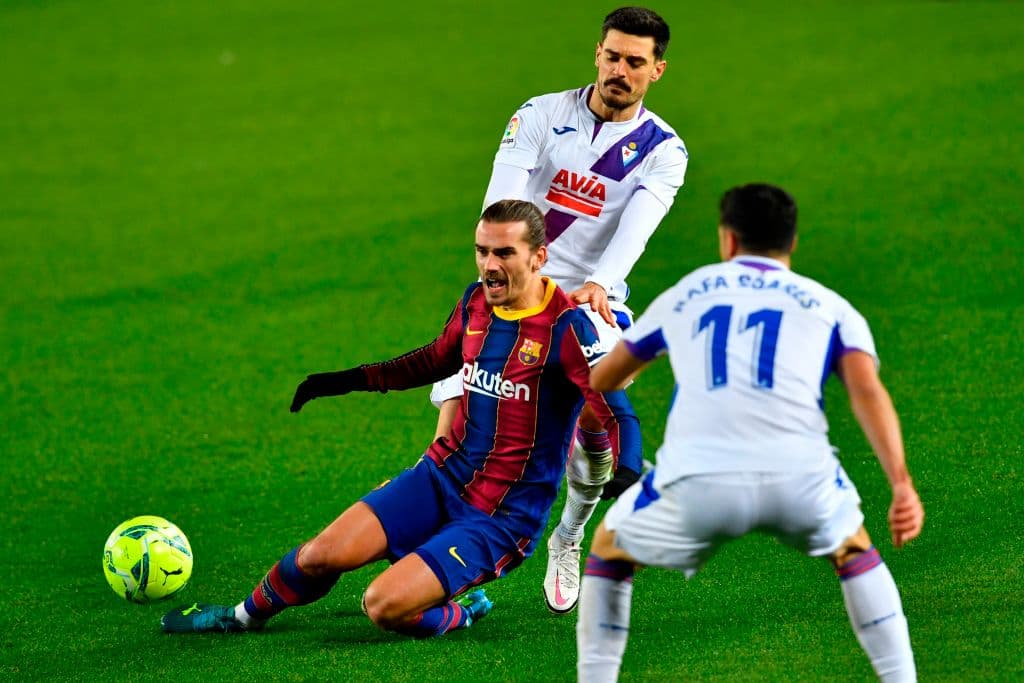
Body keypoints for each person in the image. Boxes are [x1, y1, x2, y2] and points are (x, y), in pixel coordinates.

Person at [160, 200, 637, 639]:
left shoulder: (567, 328)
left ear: (539, 257)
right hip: (442, 476)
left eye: (504, 253)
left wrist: (629, 463)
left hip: (502, 516)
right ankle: (241, 617)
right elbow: (432, 361)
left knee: (383, 603)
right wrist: (347, 380)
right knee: (321, 554)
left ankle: (460, 611)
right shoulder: (476, 302)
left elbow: (613, 403)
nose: (490, 266)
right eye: (481, 251)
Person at [575, 184, 925, 682]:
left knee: (610, 548)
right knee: (853, 549)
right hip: (800, 478)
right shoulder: (831, 306)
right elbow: (867, 392)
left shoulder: (688, 292)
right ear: (793, 242)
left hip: (699, 480)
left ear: (728, 240)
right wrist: (901, 484)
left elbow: (605, 378)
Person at [430, 6, 689, 615]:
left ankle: (568, 535)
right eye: (611, 56)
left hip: (588, 301)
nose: (619, 70)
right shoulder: (541, 114)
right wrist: (517, 278)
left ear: (657, 70)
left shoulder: (664, 150)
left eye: (634, 61)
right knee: (456, 435)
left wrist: (600, 282)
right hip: (514, 283)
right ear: (596, 53)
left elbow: (638, 228)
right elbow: (502, 205)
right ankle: (444, 562)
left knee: (597, 455)